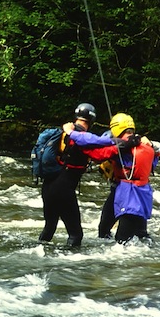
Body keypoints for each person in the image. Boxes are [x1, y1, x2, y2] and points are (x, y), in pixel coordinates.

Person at [64, 113, 160, 244]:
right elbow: (153, 163)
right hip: (139, 194)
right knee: (137, 235)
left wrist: (71, 132)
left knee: (121, 240)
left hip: (129, 196)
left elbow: (94, 145)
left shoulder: (123, 146)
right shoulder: (147, 146)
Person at [38, 103, 113, 246]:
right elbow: (100, 155)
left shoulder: (63, 132)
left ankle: (37, 256)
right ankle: (69, 267)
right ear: (91, 121)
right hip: (64, 189)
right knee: (76, 235)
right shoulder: (82, 139)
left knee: (49, 228)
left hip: (48, 186)